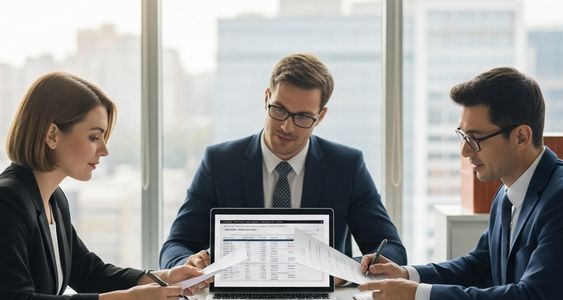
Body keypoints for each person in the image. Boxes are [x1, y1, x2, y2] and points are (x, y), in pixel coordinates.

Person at [358, 67, 563, 299]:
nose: (465, 152)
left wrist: (419, 295)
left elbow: (533, 295)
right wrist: (407, 274)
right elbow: (480, 265)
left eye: (475, 139)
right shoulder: (509, 192)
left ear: (520, 137)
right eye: (462, 135)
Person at [0, 72, 203, 299]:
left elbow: (89, 272)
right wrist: (126, 299)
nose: (104, 150)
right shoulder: (3, 202)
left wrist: (163, 277)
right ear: (52, 135)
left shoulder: (53, 199)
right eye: (94, 137)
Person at [160, 53, 407, 282]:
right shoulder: (220, 162)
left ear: (320, 116)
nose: (287, 127)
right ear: (266, 98)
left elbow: (392, 251)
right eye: (279, 110)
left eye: (302, 117)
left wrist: (346, 271)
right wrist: (188, 263)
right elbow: (175, 246)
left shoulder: (346, 166)